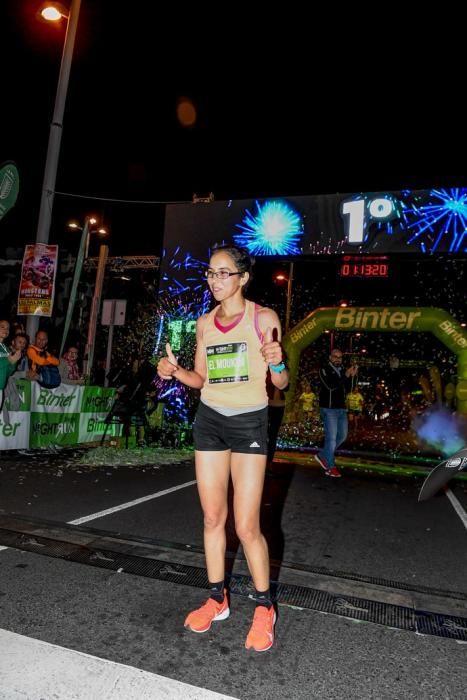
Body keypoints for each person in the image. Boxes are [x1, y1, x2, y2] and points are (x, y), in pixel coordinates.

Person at [157, 245, 288, 652]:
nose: (215, 280)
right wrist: (177, 372)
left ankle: (265, 607)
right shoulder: (203, 324)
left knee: (247, 525)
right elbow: (202, 380)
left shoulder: (263, 318)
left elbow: (280, 384)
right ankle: (217, 598)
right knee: (213, 517)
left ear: (243, 278)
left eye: (223, 273)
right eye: (211, 273)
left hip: (250, 421)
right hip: (210, 421)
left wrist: (279, 363)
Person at [314, 348, 358, 478]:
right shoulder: (324, 369)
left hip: (341, 408)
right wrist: (346, 375)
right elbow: (331, 386)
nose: (338, 359)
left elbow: (349, 388)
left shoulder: (342, 370)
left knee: (342, 436)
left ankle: (322, 455)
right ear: (330, 357)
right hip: (329, 409)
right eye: (335, 356)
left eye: (340, 357)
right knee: (331, 439)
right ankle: (330, 467)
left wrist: (353, 376)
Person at [0, 319, 22, 411]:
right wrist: (8, 360)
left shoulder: (6, 349)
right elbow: (6, 361)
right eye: (2, 327)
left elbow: (8, 372)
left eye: (8, 328)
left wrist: (14, 362)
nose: (6, 330)